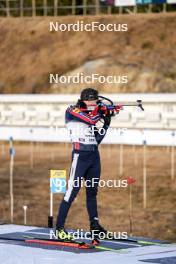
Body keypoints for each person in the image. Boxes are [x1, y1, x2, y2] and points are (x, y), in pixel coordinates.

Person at [55, 88, 112, 240]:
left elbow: (96, 140)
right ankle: (59, 228)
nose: (94, 103)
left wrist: (106, 123)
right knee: (71, 193)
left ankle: (95, 226)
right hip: (80, 157)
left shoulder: (91, 115)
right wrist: (102, 112)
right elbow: (91, 119)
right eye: (92, 101)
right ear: (85, 100)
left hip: (94, 156)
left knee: (92, 192)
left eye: (96, 101)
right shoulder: (72, 110)